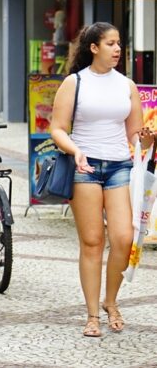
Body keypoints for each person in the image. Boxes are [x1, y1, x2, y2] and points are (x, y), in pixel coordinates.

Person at [50, 22, 154, 338]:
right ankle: (93, 314)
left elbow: (135, 136)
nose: (117, 49)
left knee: (124, 238)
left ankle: (112, 302)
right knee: (93, 242)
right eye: (110, 43)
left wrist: (147, 140)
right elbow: (57, 128)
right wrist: (76, 151)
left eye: (119, 43)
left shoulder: (127, 85)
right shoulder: (74, 82)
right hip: (85, 168)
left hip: (120, 167)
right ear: (94, 47)